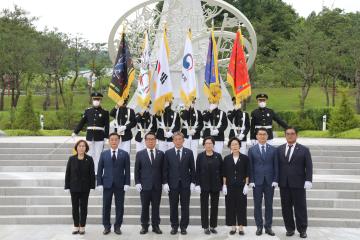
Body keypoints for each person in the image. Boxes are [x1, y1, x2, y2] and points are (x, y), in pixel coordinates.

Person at [278, 127, 313, 239]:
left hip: (298, 184)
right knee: (286, 208)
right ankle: (289, 229)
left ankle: (302, 230)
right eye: (288, 134)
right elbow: (277, 166)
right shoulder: (279, 149)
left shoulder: (304, 150)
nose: (290, 135)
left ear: (296, 135)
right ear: (285, 135)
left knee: (300, 208)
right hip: (284, 184)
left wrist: (308, 180)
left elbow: (309, 166)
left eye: (292, 134)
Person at [96, 133, 130, 235]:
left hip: (120, 185)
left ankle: (117, 227)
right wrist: (99, 183)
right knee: (106, 206)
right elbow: (99, 169)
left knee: (120, 207)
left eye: (116, 139)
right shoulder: (104, 154)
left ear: (119, 141)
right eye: (112, 139)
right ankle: (106, 226)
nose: (114, 141)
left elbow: (127, 170)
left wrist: (127, 183)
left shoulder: (124, 154)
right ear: (109, 141)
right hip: (107, 184)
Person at [163, 132, 196, 235]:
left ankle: (183, 227)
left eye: (180, 139)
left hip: (185, 185)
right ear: (173, 141)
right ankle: (174, 226)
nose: (178, 141)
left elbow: (193, 169)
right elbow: (165, 169)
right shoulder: (168, 153)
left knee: (185, 206)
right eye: (176, 139)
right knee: (173, 206)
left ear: (183, 140)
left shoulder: (189, 152)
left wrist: (193, 182)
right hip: (172, 185)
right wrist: (165, 183)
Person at [248, 128, 279, 236]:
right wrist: (251, 180)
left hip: (270, 182)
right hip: (257, 182)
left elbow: (276, 166)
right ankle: (259, 227)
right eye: (260, 134)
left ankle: (268, 227)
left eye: (264, 134)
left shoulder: (274, 150)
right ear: (256, 136)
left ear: (267, 136)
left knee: (269, 205)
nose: (262, 136)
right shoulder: (251, 150)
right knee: (257, 205)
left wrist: (276, 179)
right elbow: (250, 167)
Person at [134, 132, 165, 235]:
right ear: (145, 141)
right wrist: (137, 182)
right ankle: (144, 226)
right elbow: (137, 170)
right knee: (145, 207)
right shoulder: (140, 154)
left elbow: (163, 170)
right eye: (148, 139)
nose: (151, 141)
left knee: (156, 207)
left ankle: (156, 226)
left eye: (153, 139)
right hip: (144, 186)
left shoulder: (161, 154)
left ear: (156, 141)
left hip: (157, 186)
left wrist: (164, 183)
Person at [72, 92, 109, 174]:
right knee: (89, 154)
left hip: (100, 136)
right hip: (90, 136)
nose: (96, 100)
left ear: (100, 100)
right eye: (95, 99)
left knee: (98, 155)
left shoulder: (105, 112)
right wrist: (75, 132)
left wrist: (106, 137)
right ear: (92, 100)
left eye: (98, 99)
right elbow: (82, 122)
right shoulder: (88, 111)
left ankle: (97, 172)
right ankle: (89, 171)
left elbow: (107, 125)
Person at [64, 140, 95, 235]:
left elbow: (92, 174)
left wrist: (92, 186)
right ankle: (76, 226)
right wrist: (67, 186)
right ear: (76, 147)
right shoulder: (71, 159)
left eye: (83, 146)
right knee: (75, 207)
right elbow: (68, 173)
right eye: (80, 146)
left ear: (86, 148)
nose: (81, 148)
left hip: (85, 188)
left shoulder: (89, 159)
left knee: (84, 207)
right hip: (74, 187)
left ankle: (82, 226)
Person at [195, 136, 223, 235]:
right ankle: (205, 226)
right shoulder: (200, 156)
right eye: (206, 143)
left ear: (213, 145)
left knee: (214, 206)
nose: (208, 145)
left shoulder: (218, 156)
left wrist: (223, 185)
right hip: (204, 185)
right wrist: (197, 184)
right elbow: (197, 171)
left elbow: (221, 171)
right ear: (204, 145)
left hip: (215, 185)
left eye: (210, 143)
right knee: (204, 206)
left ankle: (213, 226)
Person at [222, 137, 249, 235]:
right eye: (232, 144)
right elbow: (224, 173)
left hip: (241, 186)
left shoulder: (245, 158)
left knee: (241, 206)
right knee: (230, 206)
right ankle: (233, 227)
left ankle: (241, 227)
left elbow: (247, 173)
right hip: (229, 186)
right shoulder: (227, 158)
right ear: (230, 146)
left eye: (236, 144)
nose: (234, 146)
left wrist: (246, 185)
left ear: (239, 146)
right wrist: (224, 185)